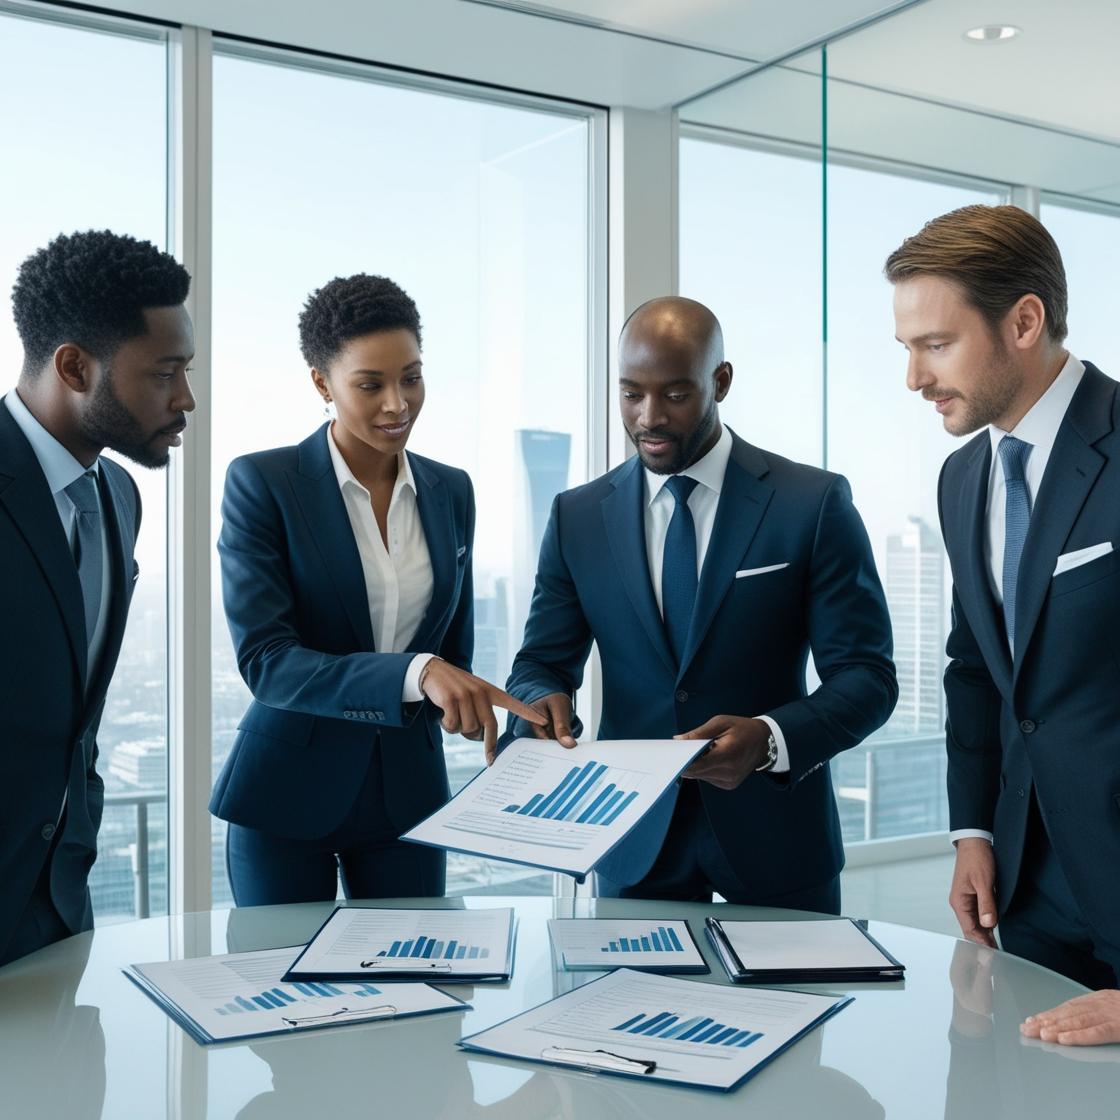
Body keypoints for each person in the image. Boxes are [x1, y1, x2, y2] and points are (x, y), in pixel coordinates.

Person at [501, 296, 897, 905]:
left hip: (779, 838)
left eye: (675, 395)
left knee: (794, 1005)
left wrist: (770, 739)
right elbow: (539, 664)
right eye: (631, 394)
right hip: (631, 841)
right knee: (627, 1005)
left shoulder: (811, 503)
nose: (649, 417)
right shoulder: (576, 516)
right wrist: (539, 700)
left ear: (721, 381)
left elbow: (867, 678)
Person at [211, 273, 543, 905]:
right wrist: (418, 674)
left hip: (409, 796)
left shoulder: (452, 491)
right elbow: (268, 662)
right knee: (287, 998)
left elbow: (451, 649)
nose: (398, 404)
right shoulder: (264, 483)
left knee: (422, 989)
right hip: (286, 795)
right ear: (321, 383)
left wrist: (464, 704)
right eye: (371, 384)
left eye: (412, 378)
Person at [887, 203, 1120, 989]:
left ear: (1025, 321)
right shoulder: (963, 477)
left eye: (936, 345)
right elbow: (977, 669)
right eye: (908, 349)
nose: (914, 379)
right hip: (1024, 894)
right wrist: (974, 830)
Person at [0, 230, 194, 966]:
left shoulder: (117, 495)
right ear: (75, 367)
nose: (186, 398)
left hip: (59, 910)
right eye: (165, 373)